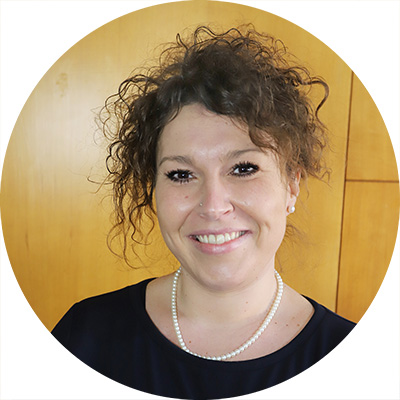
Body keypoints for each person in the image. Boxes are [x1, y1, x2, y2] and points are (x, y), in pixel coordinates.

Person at [52, 25, 355, 399]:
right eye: (181, 174)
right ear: (154, 190)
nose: (213, 206)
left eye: (243, 168)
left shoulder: (358, 363)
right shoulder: (84, 336)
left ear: (291, 185)